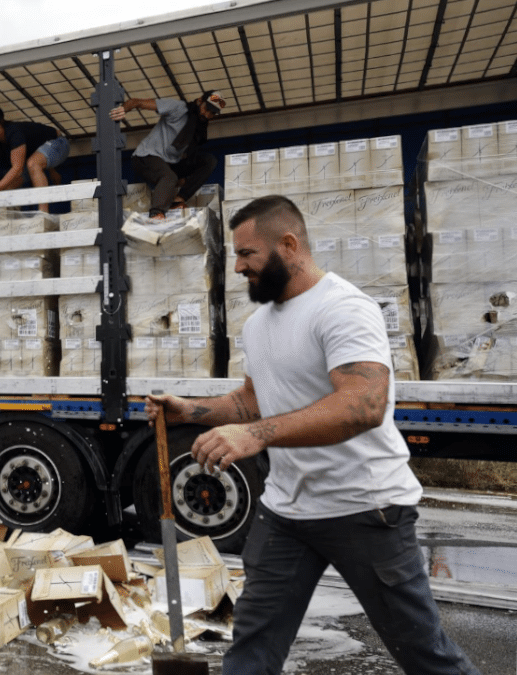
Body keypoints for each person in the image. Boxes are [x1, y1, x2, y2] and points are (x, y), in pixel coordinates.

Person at [146, 195, 480, 675]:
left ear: (289, 244)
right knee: (252, 649)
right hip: (286, 514)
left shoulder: (343, 308)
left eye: (247, 254)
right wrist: (191, 411)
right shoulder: (259, 325)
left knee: (425, 655)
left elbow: (363, 404)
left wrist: (257, 435)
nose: (237, 267)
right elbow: (253, 400)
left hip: (365, 509)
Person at [110, 90, 224, 219]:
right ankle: (156, 214)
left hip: (169, 163)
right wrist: (122, 109)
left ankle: (178, 199)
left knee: (209, 160)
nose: (207, 114)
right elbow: (137, 102)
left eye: (212, 113)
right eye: (206, 108)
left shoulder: (198, 128)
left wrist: (187, 180)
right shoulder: (178, 107)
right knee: (169, 177)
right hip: (146, 157)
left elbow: (187, 157)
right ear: (199, 101)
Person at [0, 109, 67, 212]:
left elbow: (17, 168)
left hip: (58, 143)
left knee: (33, 164)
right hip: (35, 154)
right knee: (7, 186)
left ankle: (43, 213)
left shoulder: (14, 133)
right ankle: (7, 219)